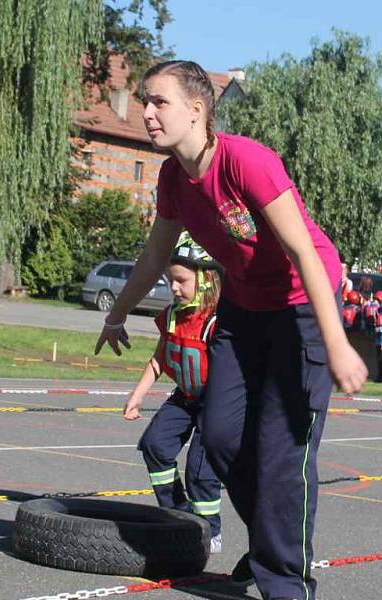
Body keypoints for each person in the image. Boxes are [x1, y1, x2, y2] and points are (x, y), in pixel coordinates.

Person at [94, 60, 367, 600]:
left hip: (303, 310)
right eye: (143, 102)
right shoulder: (174, 178)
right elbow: (155, 257)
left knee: (283, 453)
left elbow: (303, 253)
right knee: (218, 438)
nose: (146, 113)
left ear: (197, 110)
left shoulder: (247, 162)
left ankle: (287, 583)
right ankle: (270, 543)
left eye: (159, 102)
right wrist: (117, 313)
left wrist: (336, 343)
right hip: (243, 311)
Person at [124, 233, 225, 554]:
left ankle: (211, 530)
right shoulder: (171, 316)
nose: (174, 287)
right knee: (154, 445)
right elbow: (158, 359)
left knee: (199, 468)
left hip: (216, 403)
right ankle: (178, 513)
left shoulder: (217, 322)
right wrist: (138, 395)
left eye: (181, 280)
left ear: (206, 280)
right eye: (170, 280)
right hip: (186, 397)